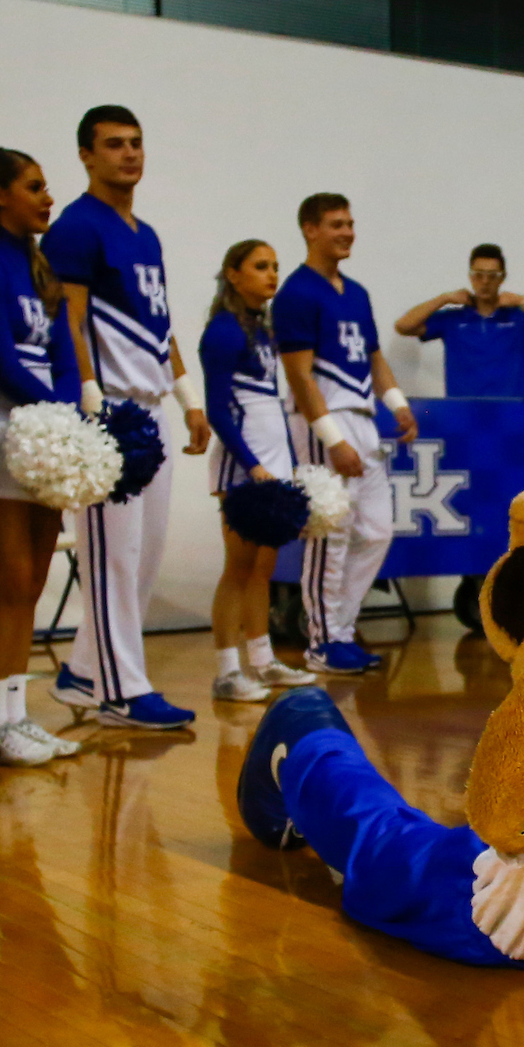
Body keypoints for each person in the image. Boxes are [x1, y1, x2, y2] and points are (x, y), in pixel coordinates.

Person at [42, 106, 212, 728]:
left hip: (151, 410)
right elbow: (70, 320)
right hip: (106, 407)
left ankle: (88, 669)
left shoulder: (146, 234)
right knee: (112, 555)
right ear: (86, 155)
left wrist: (188, 399)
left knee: (143, 555)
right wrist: (89, 402)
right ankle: (120, 688)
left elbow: (160, 326)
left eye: (136, 143)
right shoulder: (76, 229)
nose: (129, 154)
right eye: (114, 145)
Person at [0, 146, 88, 767]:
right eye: (34, 187)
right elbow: (0, 359)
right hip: (2, 430)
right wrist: (51, 411)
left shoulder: (39, 265)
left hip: (48, 432)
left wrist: (67, 414)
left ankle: (15, 716)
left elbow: (64, 349)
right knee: (9, 582)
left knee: (34, 582)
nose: (47, 197)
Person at [276, 193, 418, 675]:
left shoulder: (355, 292)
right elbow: (299, 373)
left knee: (377, 528)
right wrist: (330, 437)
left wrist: (397, 405)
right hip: (326, 418)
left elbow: (373, 356)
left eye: (350, 223)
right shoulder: (296, 292)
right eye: (336, 224)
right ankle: (322, 642)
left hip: (362, 418)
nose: (347, 232)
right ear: (309, 230)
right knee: (330, 534)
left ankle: (340, 628)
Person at [201, 240, 322, 703]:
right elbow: (218, 410)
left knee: (262, 569)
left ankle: (262, 660)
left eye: (274, 266)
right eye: (259, 267)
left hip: (271, 463)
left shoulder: (263, 330)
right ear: (233, 274)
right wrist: (251, 465)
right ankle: (227, 671)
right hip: (242, 465)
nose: (271, 274)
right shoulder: (223, 332)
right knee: (238, 567)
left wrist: (283, 465)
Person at [393, 244, 524, 397]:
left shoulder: (520, 318)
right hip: (463, 415)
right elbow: (403, 326)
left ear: (503, 278)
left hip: (511, 416)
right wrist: (444, 298)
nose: (485, 282)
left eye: (492, 275)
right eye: (478, 275)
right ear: (470, 276)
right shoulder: (452, 319)